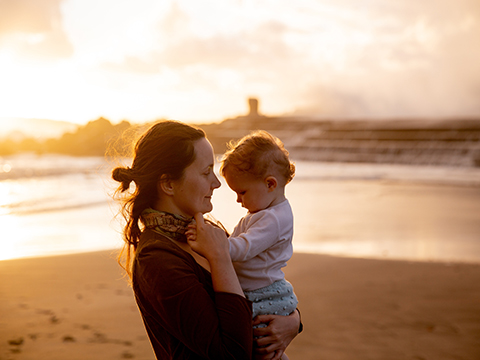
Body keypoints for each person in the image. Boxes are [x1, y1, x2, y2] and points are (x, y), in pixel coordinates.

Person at [111, 120, 301, 360]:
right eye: (205, 172)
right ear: (168, 184)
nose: (217, 182)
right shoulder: (157, 260)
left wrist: (293, 321)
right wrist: (219, 257)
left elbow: (260, 286)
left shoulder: (202, 230)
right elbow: (231, 354)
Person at [187, 130, 298, 360]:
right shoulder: (263, 212)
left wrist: (215, 245)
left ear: (270, 184)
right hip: (259, 291)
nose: (238, 200)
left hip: (263, 294)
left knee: (261, 347)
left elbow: (244, 247)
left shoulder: (273, 218)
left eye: (242, 192)